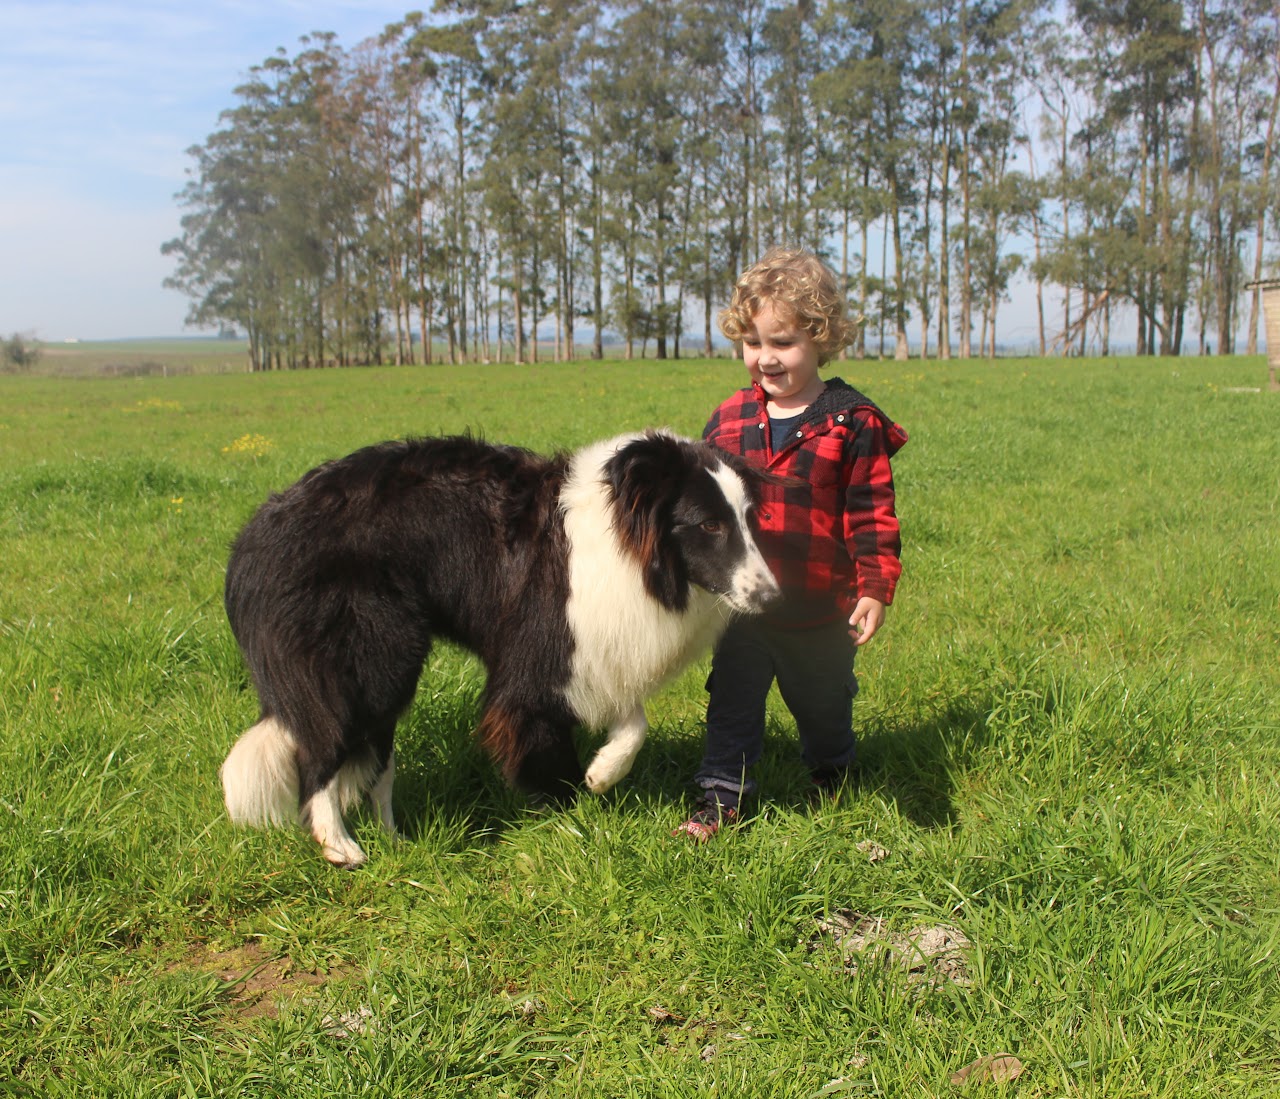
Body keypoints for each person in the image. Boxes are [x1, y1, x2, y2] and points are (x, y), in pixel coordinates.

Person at [675, 247, 908, 840]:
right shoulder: (726, 420)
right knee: (732, 704)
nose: (766, 358)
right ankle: (720, 799)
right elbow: (702, 513)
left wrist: (875, 587)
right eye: (753, 343)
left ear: (821, 337)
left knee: (824, 707)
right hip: (745, 610)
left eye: (783, 343)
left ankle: (832, 769)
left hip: (819, 610)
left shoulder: (851, 422)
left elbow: (872, 512)